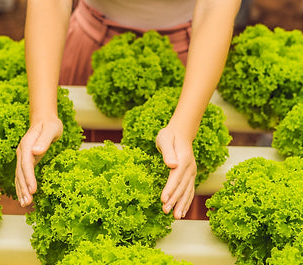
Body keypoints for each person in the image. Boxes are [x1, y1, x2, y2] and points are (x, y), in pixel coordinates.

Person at [15, 0, 241, 220]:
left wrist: (184, 127)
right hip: (92, 52)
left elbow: (215, 6)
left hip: (193, 62)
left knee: (167, 202)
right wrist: (43, 114)